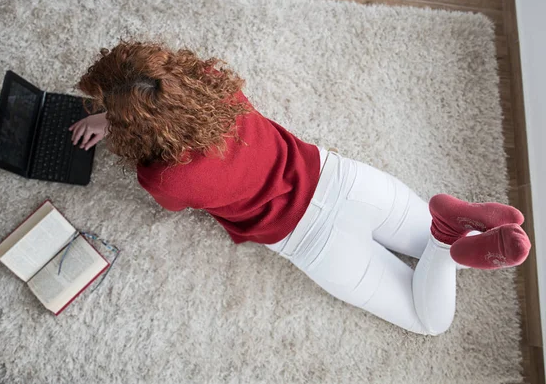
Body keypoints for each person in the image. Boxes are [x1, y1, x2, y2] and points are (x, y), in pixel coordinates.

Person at [70, 41, 531, 335]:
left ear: (137, 131)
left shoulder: (162, 177)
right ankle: (453, 226)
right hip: (349, 182)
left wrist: (113, 123)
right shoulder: (213, 83)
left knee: (431, 321)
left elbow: (175, 204)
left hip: (316, 241)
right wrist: (118, 111)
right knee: (436, 253)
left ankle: (447, 236)